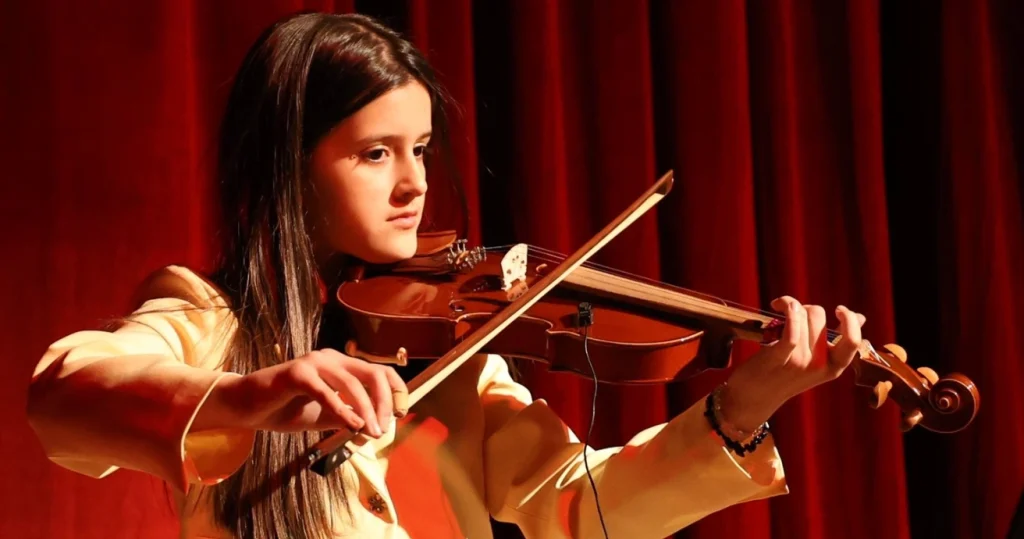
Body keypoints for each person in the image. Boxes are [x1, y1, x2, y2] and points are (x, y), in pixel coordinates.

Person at [25, 11, 867, 539]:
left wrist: (748, 404)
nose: (415, 183)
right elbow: (66, 393)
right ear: (291, 165)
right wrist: (252, 395)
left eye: (421, 148)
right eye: (375, 152)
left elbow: (582, 506)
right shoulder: (207, 318)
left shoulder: (449, 358)